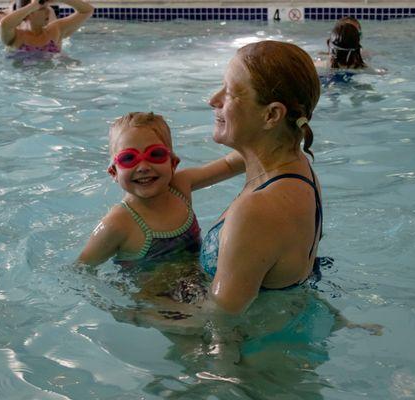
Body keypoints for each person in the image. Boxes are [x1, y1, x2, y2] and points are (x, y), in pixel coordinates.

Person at [201, 40, 326, 315]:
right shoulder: (295, 168)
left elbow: (218, 321)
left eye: (230, 92)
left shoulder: (258, 210)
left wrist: (136, 308)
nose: (213, 99)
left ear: (271, 115)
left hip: (251, 354)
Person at [78, 112, 244, 268]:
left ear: (173, 163)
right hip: (151, 297)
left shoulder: (180, 185)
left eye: (155, 154)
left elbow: (229, 165)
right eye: (128, 158)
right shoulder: (118, 222)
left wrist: (267, 143)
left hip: (196, 279)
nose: (143, 167)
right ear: (114, 172)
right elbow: (82, 269)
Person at [0, 0, 93, 53]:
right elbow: (4, 25)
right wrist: (34, 5)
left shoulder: (55, 30)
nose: (48, 11)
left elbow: (87, 10)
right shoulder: (15, 37)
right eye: (43, 9)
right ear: (28, 13)